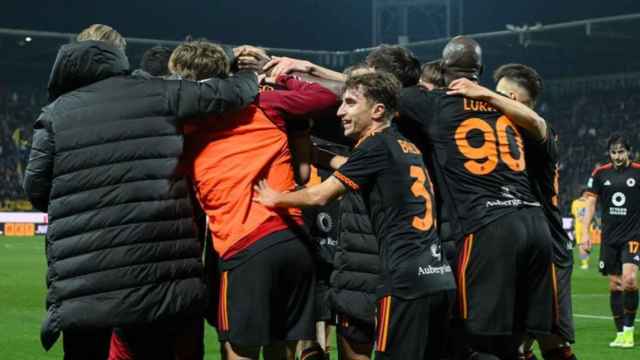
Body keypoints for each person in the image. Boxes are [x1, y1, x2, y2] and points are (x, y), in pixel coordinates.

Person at [22, 24, 259, 359]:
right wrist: (245, 71)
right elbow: (227, 94)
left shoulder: (55, 115)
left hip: (82, 280)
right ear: (119, 55)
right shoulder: (157, 92)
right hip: (152, 276)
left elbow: (36, 190)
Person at [255, 72, 455, 360]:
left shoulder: (374, 145)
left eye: (350, 103)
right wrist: (317, 155)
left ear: (377, 110)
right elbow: (354, 167)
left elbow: (318, 195)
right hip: (437, 277)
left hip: (403, 282)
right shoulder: (404, 145)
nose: (340, 111)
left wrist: (274, 198)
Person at [168, 40, 338, 360]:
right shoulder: (266, 104)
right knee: (284, 349)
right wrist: (274, 72)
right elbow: (325, 97)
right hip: (294, 241)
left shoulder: (185, 122)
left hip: (245, 245)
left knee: (240, 351)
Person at [397, 36, 555, 359]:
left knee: (475, 338)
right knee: (520, 340)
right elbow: (540, 126)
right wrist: (489, 95)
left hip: (488, 227)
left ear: (443, 69)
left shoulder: (436, 103)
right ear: (480, 71)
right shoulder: (509, 112)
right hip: (536, 226)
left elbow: (370, 92)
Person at [448, 63, 578, 360]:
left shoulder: (536, 135)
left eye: (496, 94)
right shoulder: (513, 134)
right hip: (524, 245)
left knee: (551, 344)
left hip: (548, 251)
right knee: (520, 344)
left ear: (512, 99)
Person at [582, 134, 640, 348]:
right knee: (615, 285)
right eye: (613, 152)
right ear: (609, 153)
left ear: (628, 151)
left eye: (621, 151)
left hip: (633, 235)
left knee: (629, 280)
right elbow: (590, 204)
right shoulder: (600, 173)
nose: (617, 156)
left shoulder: (638, 171)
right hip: (609, 238)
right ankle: (619, 333)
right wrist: (585, 233)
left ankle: (628, 331)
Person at [572, 188, 591, 270]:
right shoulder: (589, 202)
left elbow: (574, 214)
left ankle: (585, 262)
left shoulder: (574, 203)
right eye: (588, 194)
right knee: (584, 245)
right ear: (584, 194)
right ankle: (585, 262)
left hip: (581, 227)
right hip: (584, 227)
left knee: (584, 245)